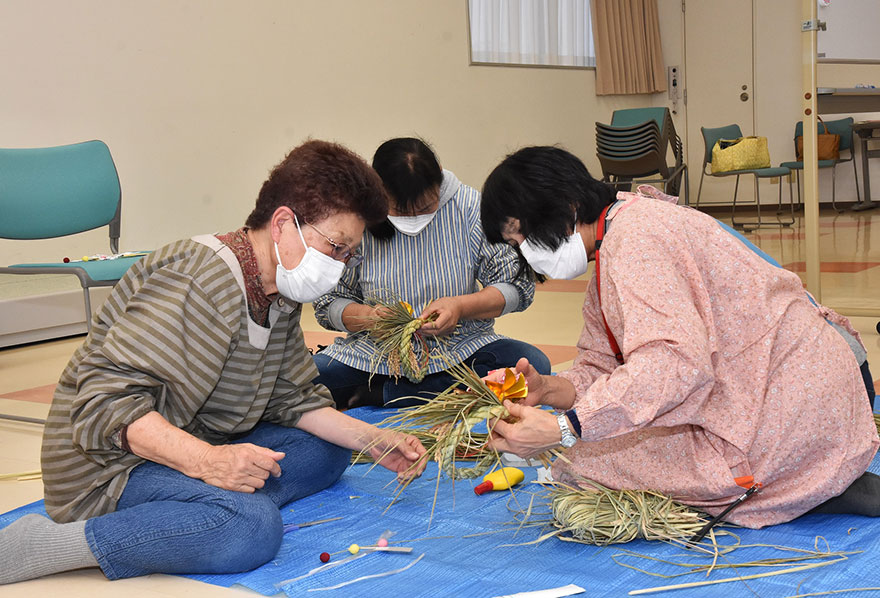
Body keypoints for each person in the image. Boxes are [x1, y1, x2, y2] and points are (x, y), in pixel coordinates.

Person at [0, 140, 426, 586]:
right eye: (336, 247)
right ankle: (43, 544)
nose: (339, 265)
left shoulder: (277, 291)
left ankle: (200, 506)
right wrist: (207, 462)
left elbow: (294, 399)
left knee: (331, 449)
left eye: (348, 254)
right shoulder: (196, 280)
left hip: (191, 442)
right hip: (111, 469)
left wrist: (373, 439)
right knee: (251, 530)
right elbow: (104, 407)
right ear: (284, 224)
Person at [479, 145, 880, 528]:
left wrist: (564, 430)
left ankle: (797, 481)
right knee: (596, 441)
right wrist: (548, 389)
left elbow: (674, 364)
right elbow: (602, 367)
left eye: (524, 238)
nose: (527, 256)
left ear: (565, 206)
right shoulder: (623, 232)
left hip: (791, 411)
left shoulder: (635, 242)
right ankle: (807, 473)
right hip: (799, 389)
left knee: (578, 462)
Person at [312, 137, 551, 408]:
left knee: (534, 368)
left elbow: (516, 287)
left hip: (462, 350)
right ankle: (412, 394)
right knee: (303, 382)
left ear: (438, 176)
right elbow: (328, 303)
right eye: (400, 210)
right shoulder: (356, 217)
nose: (414, 218)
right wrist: (369, 318)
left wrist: (460, 306)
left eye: (426, 207)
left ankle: (384, 395)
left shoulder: (469, 207)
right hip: (373, 357)